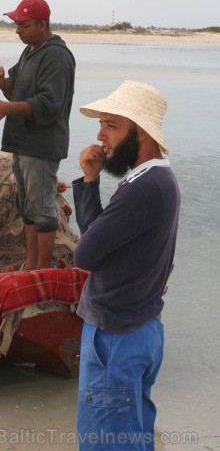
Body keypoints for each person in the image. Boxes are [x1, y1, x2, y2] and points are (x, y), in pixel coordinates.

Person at [72, 81, 180, 451]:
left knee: (105, 441)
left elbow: (84, 255)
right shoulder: (159, 180)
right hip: (142, 327)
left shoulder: (141, 189)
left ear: (143, 133)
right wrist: (90, 181)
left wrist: (89, 183)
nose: (101, 136)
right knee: (132, 437)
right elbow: (100, 244)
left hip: (116, 335)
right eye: (101, 125)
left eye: (112, 126)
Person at [0, 0, 76, 269]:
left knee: (42, 210)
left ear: (42, 24)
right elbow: (17, 91)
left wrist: (6, 109)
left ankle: (41, 272)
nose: (17, 30)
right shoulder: (31, 51)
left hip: (42, 146)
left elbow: (49, 103)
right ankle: (31, 266)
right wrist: (2, 83)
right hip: (23, 144)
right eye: (16, 25)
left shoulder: (56, 56)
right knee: (27, 208)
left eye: (23, 25)